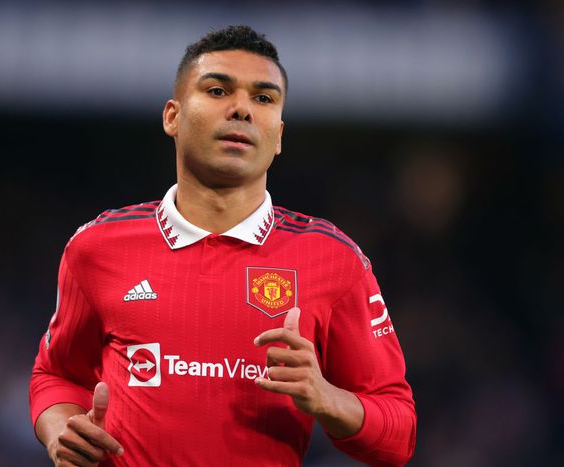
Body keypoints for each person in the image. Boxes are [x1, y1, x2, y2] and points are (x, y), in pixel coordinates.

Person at [29, 25, 416, 467]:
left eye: (263, 98)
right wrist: (62, 430)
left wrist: (326, 398)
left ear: (279, 135)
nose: (242, 110)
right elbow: (56, 375)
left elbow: (399, 433)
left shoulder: (333, 259)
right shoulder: (97, 248)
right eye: (217, 91)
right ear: (172, 117)